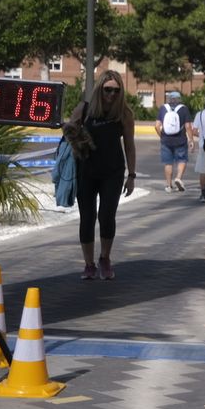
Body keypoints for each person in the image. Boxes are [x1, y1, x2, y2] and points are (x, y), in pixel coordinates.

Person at [69, 70, 137, 281]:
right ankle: (88, 264)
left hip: (113, 172)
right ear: (100, 89)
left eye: (116, 91)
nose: (112, 94)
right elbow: (69, 133)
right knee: (87, 217)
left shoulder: (124, 113)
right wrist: (76, 137)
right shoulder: (85, 109)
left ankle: (105, 258)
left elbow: (129, 146)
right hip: (86, 171)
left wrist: (132, 175)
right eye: (108, 90)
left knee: (107, 216)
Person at [157, 90, 193, 193]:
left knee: (168, 163)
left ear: (169, 99)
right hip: (180, 140)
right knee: (182, 160)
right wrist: (191, 140)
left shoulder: (163, 108)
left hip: (166, 140)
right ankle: (178, 178)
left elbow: (156, 126)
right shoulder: (184, 109)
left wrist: (162, 136)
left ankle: (168, 186)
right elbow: (188, 126)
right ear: (179, 99)